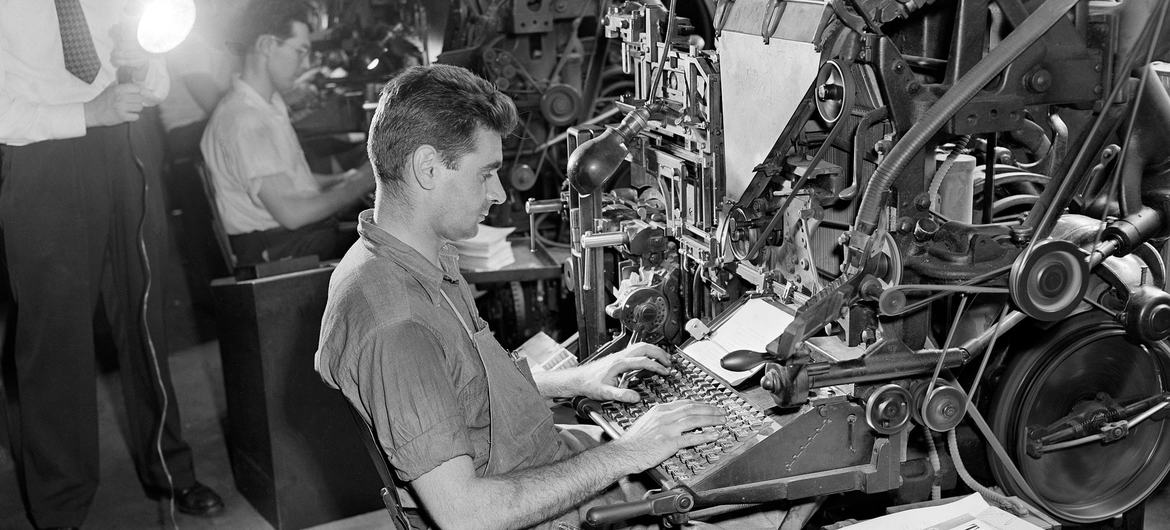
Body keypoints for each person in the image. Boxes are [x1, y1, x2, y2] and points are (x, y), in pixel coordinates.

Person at [314, 64, 729, 529]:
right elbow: (466, 516)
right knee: (757, 488)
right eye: (486, 173)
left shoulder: (402, 256)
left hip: (537, 456)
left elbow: (464, 387)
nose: (498, 192)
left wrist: (574, 381)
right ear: (427, 167)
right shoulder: (397, 324)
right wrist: (628, 453)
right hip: (529, 506)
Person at [0, 0, 224, 527]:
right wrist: (85, 113)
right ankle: (60, 507)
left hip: (126, 143)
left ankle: (171, 469)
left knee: (146, 318)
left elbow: (159, 84)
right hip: (41, 158)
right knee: (53, 341)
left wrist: (141, 62)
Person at [200, 0, 374, 267]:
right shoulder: (244, 120)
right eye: (299, 51)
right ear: (267, 45)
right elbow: (292, 214)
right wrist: (360, 182)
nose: (305, 63)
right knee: (392, 243)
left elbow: (288, 180)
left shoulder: (267, 104)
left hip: (291, 237)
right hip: (277, 252)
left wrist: (342, 178)